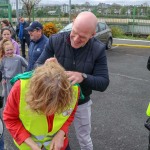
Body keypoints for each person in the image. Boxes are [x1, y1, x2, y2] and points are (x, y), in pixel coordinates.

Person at [35, 11, 109, 150]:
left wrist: (83, 77)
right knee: (54, 139)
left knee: (84, 139)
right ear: (73, 23)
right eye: (74, 32)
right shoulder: (55, 40)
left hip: (81, 103)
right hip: (56, 102)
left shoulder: (98, 48)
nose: (75, 39)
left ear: (92, 34)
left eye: (82, 37)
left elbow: (103, 82)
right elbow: (36, 66)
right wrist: (47, 66)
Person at [3, 61, 80, 150]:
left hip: (59, 144)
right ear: (34, 94)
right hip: (27, 145)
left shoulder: (74, 89)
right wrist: (32, 145)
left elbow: (70, 114)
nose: (50, 112)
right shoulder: (19, 88)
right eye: (44, 107)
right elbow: (10, 118)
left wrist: (61, 133)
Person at [0, 39, 28, 104]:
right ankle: (9, 109)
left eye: (11, 49)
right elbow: (2, 69)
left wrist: (24, 75)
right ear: (4, 51)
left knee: (19, 95)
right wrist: (4, 78)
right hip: (9, 81)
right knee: (10, 95)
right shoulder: (3, 60)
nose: (9, 51)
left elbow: (27, 65)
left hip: (18, 80)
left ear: (14, 48)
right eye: (7, 50)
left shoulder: (19, 58)